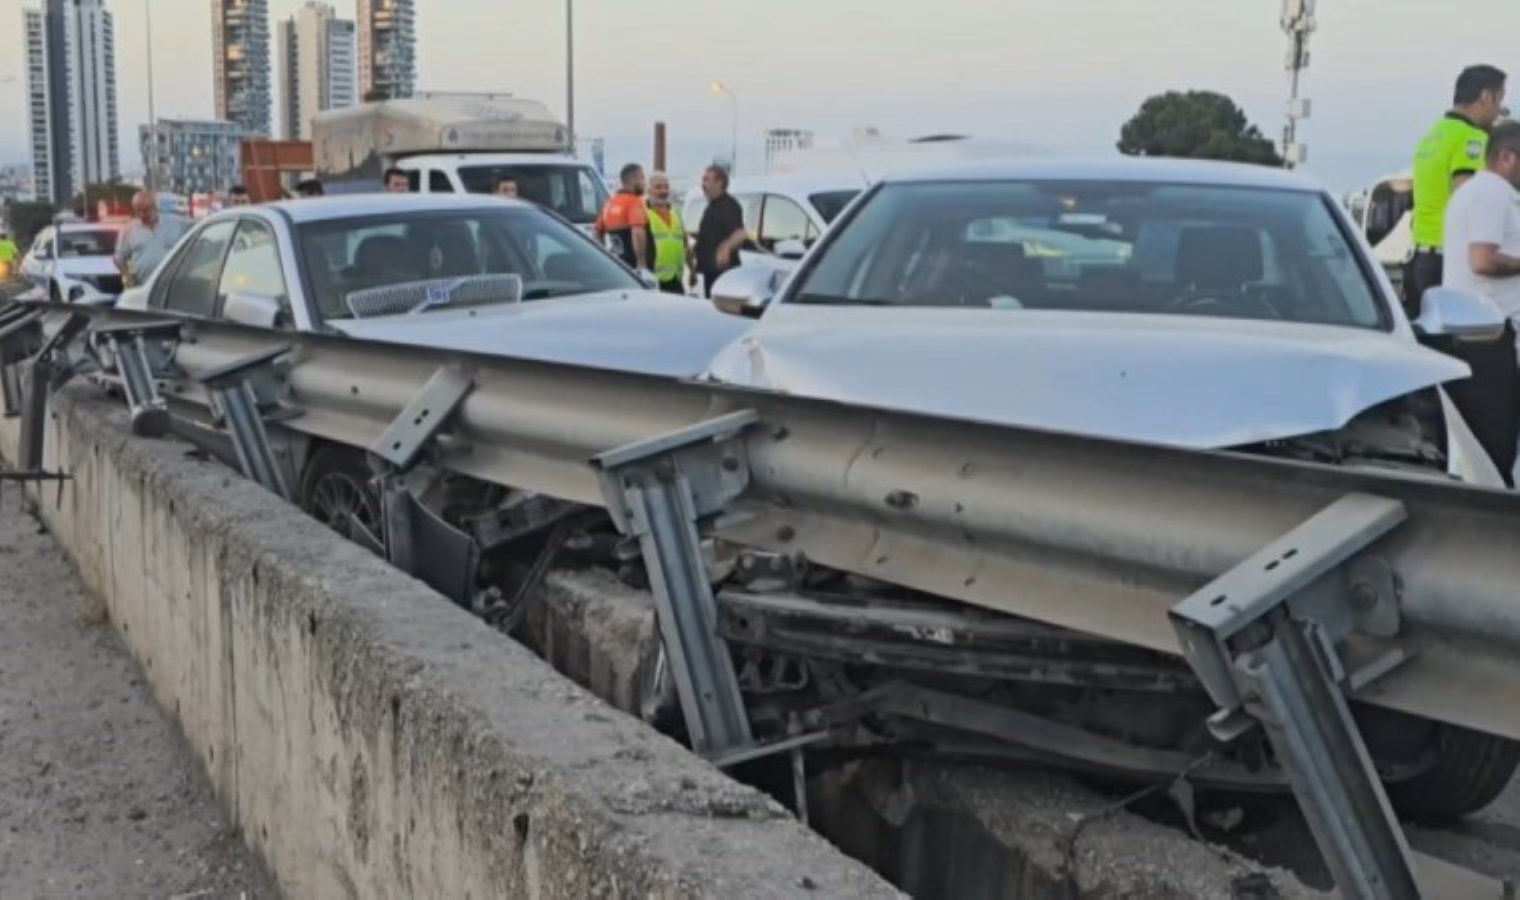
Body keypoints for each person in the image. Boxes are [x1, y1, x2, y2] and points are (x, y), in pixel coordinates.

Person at [1442, 121, 1520, 484]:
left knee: (1485, 445)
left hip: (1476, 331)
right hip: (1490, 335)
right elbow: (1483, 260)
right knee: (1496, 443)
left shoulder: (1472, 191)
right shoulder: (1494, 194)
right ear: (1507, 157)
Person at [1406, 65, 1509, 316]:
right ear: (1486, 97)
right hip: (1449, 263)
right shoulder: (1471, 137)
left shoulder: (1433, 134)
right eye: (1499, 100)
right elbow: (1471, 198)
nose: (1498, 111)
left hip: (1419, 257)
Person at [114, 191, 189, 288]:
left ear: (155, 207)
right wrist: (128, 278)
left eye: (145, 210)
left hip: (174, 286)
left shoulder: (177, 224)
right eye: (138, 211)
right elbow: (120, 259)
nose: (141, 214)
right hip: (144, 287)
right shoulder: (129, 230)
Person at [693, 165, 747, 297]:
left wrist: (727, 246)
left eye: (706, 180)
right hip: (709, 272)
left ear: (719, 182)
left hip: (724, 274)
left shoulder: (729, 206)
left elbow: (740, 233)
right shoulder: (711, 206)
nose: (703, 184)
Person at [595, 163, 650, 271]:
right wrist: (641, 264)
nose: (644, 182)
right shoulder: (633, 202)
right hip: (634, 265)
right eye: (642, 178)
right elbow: (637, 232)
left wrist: (604, 256)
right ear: (634, 179)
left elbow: (597, 232)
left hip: (619, 265)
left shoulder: (610, 203)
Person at [645, 172, 687, 293]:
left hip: (676, 279)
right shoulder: (643, 213)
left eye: (666, 187)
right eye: (658, 187)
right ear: (648, 190)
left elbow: (684, 242)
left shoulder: (676, 213)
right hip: (654, 281)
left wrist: (692, 271)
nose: (663, 191)